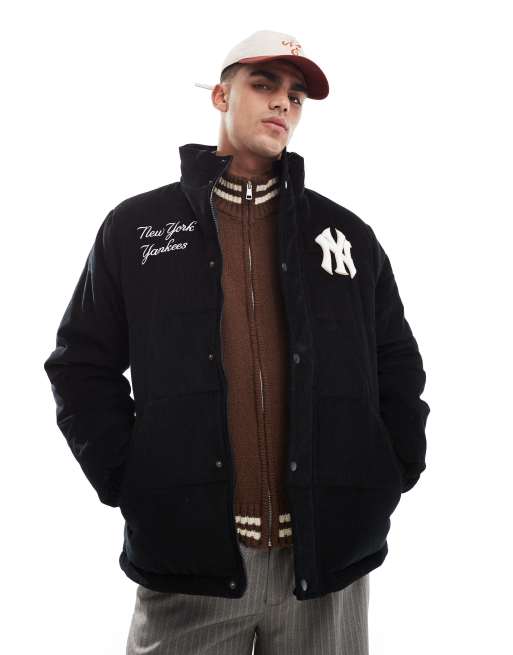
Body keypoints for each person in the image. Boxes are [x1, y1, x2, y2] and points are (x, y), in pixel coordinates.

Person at [43, 29, 429, 654]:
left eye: (296, 95)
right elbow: (81, 364)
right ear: (221, 96)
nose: (282, 103)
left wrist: (393, 469)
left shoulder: (346, 236)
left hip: (326, 566)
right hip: (190, 563)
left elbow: (397, 363)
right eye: (264, 84)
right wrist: (129, 478)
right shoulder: (136, 228)